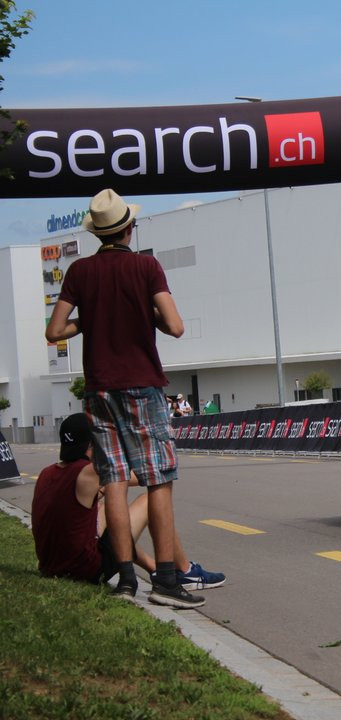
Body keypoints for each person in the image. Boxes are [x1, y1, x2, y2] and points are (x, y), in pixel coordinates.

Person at [45, 188, 203, 608]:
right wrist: (143, 312)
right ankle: (167, 580)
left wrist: (87, 318)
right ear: (129, 229)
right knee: (159, 479)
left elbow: (55, 331)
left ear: (98, 233)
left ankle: (127, 580)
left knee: (113, 479)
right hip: (141, 386)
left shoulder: (79, 272)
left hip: (98, 390)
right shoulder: (147, 267)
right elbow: (175, 325)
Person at [31, 413, 225, 596]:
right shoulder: (90, 472)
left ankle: (154, 569)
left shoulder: (47, 472)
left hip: (51, 566)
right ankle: (186, 571)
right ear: (95, 442)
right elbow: (145, 476)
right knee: (148, 501)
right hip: (84, 570)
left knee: (110, 510)